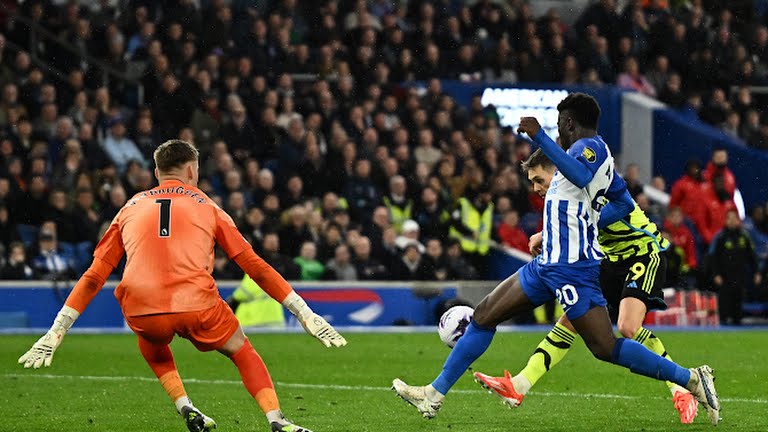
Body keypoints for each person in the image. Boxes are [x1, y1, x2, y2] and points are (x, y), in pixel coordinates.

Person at [391, 93, 720, 425]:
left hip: (573, 269)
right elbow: (622, 204)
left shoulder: (589, 149)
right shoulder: (589, 159)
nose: (558, 129)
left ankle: (691, 379)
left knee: (606, 347)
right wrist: (566, 229)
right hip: (548, 264)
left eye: (560, 123)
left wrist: (538, 135)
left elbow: (579, 175)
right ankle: (433, 394)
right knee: (485, 314)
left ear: (570, 123)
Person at [18, 140, 347, 432]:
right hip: (195, 304)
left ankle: (184, 405)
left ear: (157, 171)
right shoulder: (208, 206)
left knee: (152, 342)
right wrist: (304, 311)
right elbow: (255, 267)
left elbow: (94, 276)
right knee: (241, 349)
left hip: (142, 307)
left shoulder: (129, 208)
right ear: (192, 169)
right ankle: (277, 420)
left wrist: (56, 330)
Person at [486, 148, 698, 424]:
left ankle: (683, 387)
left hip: (642, 253)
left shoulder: (592, 186)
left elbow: (594, 218)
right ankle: (520, 384)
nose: (536, 188)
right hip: (610, 259)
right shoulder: (566, 193)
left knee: (627, 327)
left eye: (539, 180)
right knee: (571, 319)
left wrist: (546, 233)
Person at [708, 209, 762, 325]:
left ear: (738, 220)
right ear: (726, 220)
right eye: (730, 218)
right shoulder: (720, 237)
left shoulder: (744, 236)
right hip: (724, 276)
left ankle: (737, 324)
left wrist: (757, 272)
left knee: (738, 302)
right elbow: (713, 258)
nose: (732, 221)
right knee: (725, 301)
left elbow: (752, 256)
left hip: (740, 276)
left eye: (734, 218)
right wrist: (716, 274)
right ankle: (723, 324)